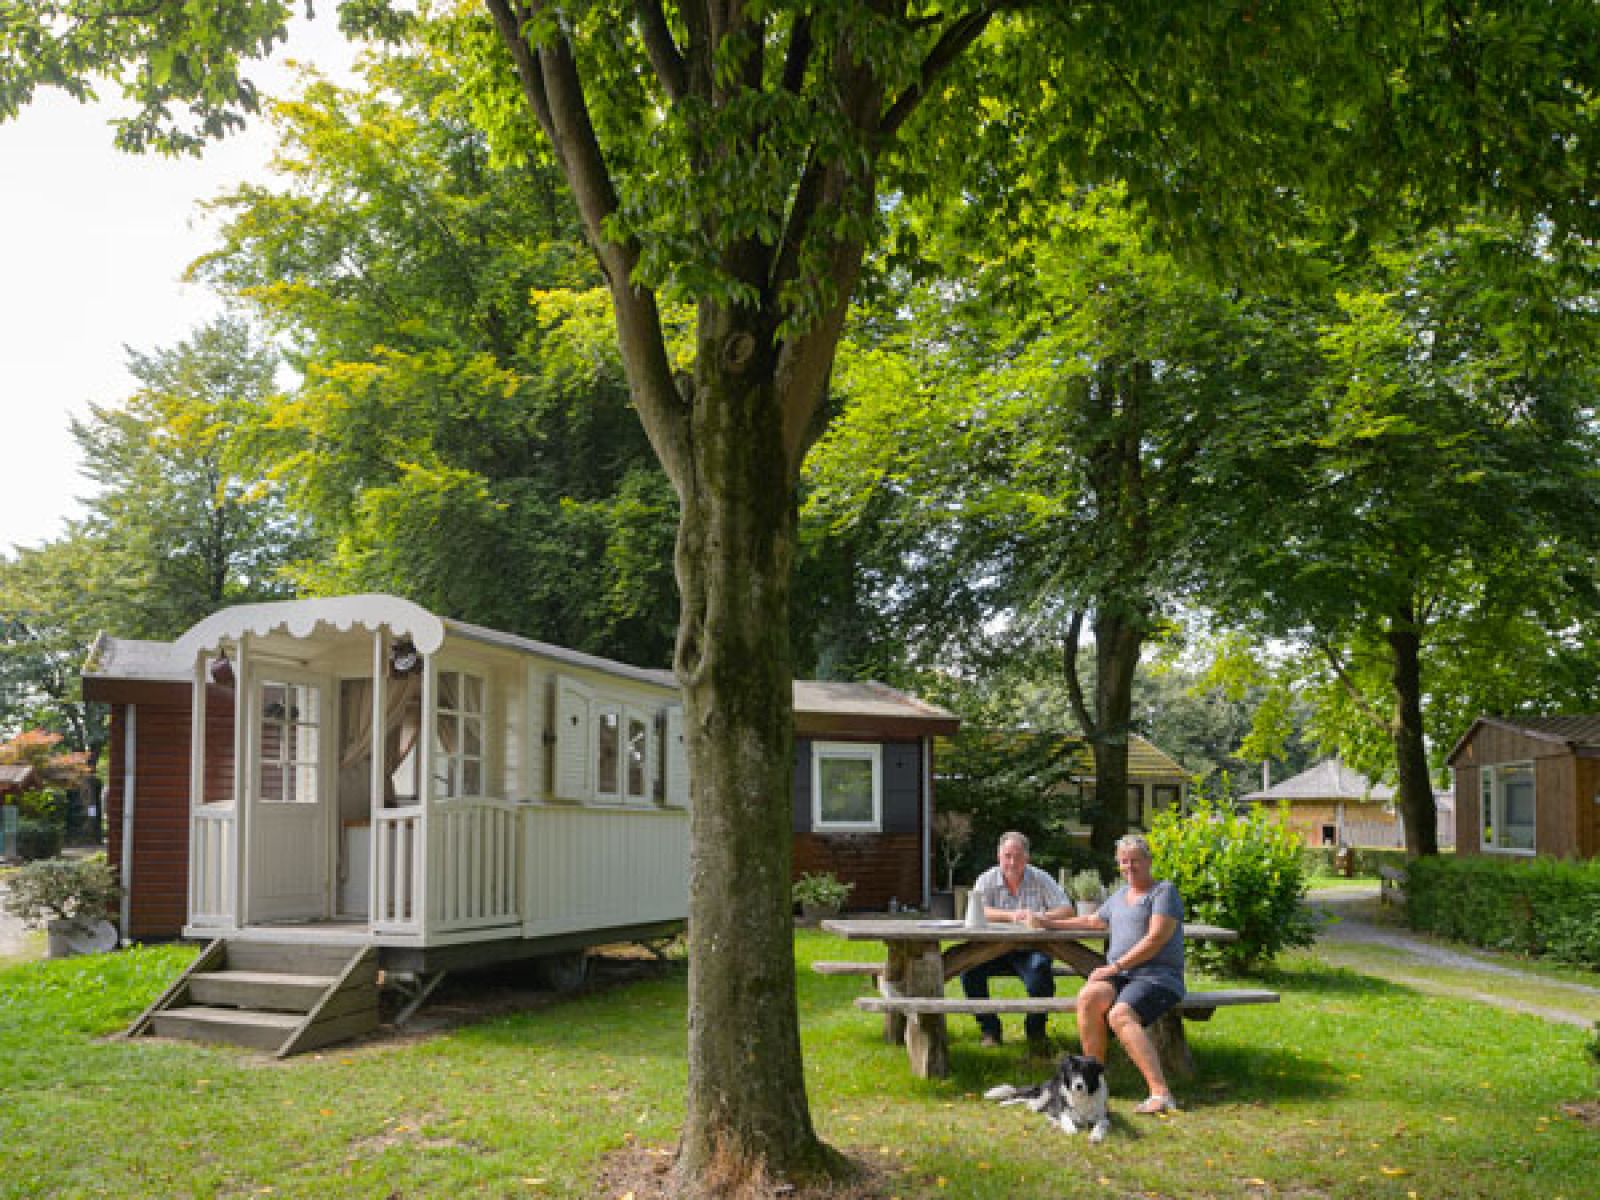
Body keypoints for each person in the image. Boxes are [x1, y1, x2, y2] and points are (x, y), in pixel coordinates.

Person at [1026, 833, 1185, 1113]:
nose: (1129, 867)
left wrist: (1115, 966)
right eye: (1123, 862)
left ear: (1148, 861)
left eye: (1135, 861)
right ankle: (1093, 1083)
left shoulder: (1163, 892)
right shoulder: (1120, 895)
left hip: (1156, 976)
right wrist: (1048, 923)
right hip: (1123, 976)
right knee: (1088, 997)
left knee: (1120, 1014)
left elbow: (1156, 939)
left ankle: (1160, 1093)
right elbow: (1092, 920)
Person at [961, 830, 1073, 1054]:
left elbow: (1067, 909)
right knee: (968, 969)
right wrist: (1011, 916)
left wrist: (1042, 917)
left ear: (1027, 858)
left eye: (1018, 856)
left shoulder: (1040, 878)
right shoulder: (987, 878)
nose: (1012, 862)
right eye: (1007, 856)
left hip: (1030, 949)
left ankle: (1036, 1032)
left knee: (1040, 972)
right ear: (998, 856)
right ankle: (989, 1030)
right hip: (993, 949)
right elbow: (977, 910)